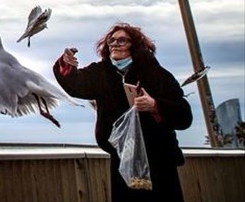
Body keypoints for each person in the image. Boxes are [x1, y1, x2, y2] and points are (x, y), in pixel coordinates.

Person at [53, 22, 192, 202]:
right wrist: (67, 65)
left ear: (135, 46)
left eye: (122, 40)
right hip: (122, 162)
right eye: (111, 41)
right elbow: (76, 84)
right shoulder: (101, 73)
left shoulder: (157, 74)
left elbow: (184, 116)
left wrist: (155, 105)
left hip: (159, 162)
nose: (115, 44)